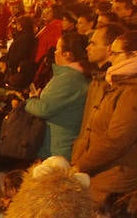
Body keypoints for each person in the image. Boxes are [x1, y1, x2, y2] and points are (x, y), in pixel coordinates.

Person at [71, 30, 137, 204]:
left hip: (121, 177)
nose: (110, 59)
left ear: (134, 56)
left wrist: (81, 164)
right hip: (104, 172)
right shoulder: (118, 84)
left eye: (115, 54)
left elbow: (117, 139)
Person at [24, 30, 91, 160]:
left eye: (57, 48)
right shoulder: (71, 76)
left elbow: (44, 109)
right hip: (57, 143)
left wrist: (31, 100)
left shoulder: (69, 79)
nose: (54, 52)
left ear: (68, 54)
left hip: (57, 146)